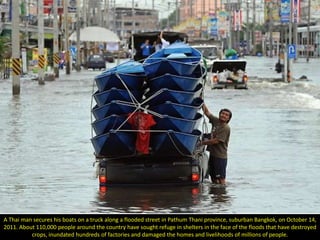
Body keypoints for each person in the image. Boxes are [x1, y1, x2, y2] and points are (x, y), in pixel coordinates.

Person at [201, 104, 232, 185]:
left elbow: (216, 141)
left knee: (221, 179)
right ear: (219, 114)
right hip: (213, 154)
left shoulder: (225, 128)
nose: (223, 115)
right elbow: (207, 112)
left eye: (226, 115)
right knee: (213, 177)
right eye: (222, 113)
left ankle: (222, 195)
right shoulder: (216, 121)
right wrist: (201, 101)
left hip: (220, 157)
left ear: (228, 118)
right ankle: (216, 195)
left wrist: (202, 143)